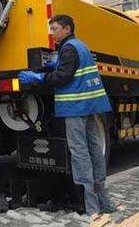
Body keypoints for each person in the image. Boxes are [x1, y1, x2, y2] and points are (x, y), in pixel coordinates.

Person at [18, 14, 116, 216]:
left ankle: (89, 207)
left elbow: (63, 77)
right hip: (90, 106)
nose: (51, 33)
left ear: (67, 29)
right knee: (95, 149)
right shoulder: (79, 46)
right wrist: (57, 63)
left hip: (76, 106)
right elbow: (71, 67)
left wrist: (38, 76)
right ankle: (103, 202)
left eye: (55, 28)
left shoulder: (69, 48)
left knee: (79, 152)